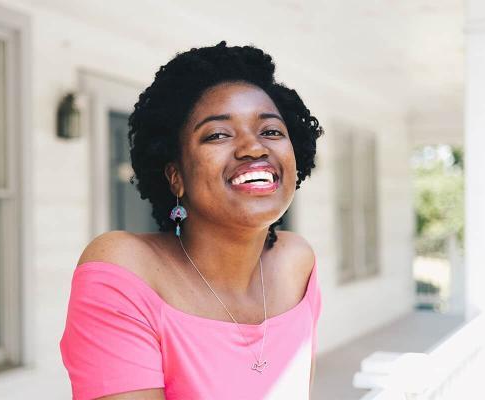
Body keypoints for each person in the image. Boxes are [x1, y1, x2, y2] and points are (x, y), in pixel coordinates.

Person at [60, 41, 324, 400]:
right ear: (175, 176)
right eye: (218, 134)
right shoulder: (126, 269)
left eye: (271, 131)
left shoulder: (297, 264)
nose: (254, 148)